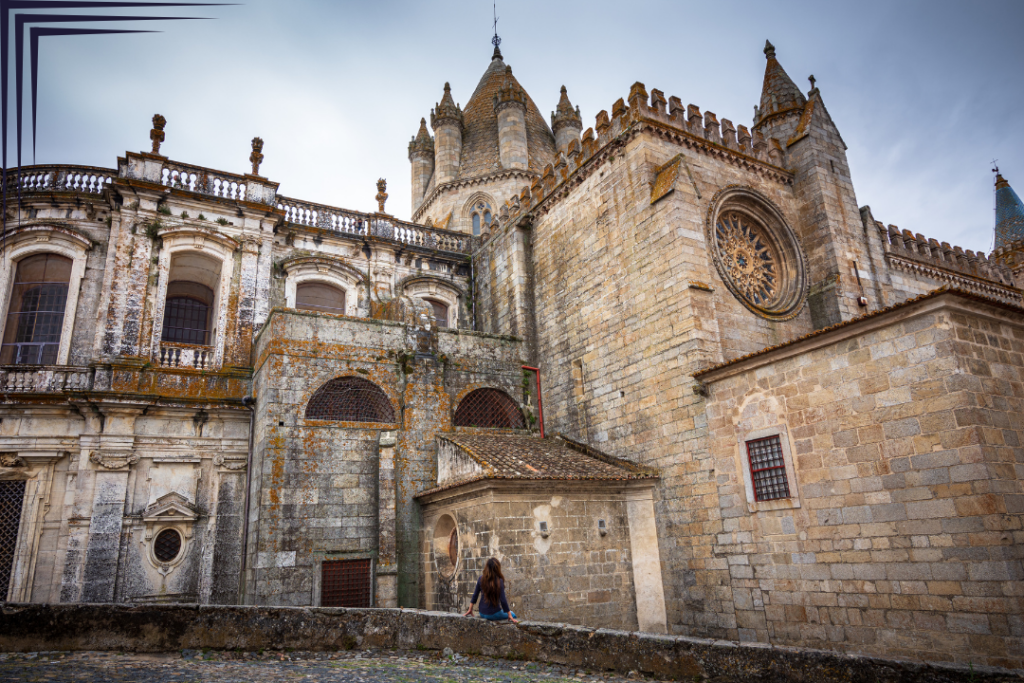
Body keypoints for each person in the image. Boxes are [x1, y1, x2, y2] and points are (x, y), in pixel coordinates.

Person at [463, 557, 518, 623]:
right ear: (497, 568)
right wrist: (509, 614)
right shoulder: (499, 581)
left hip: (482, 613)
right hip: (493, 614)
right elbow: (503, 600)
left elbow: (475, 595)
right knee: (513, 614)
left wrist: (470, 609)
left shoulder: (481, 578)